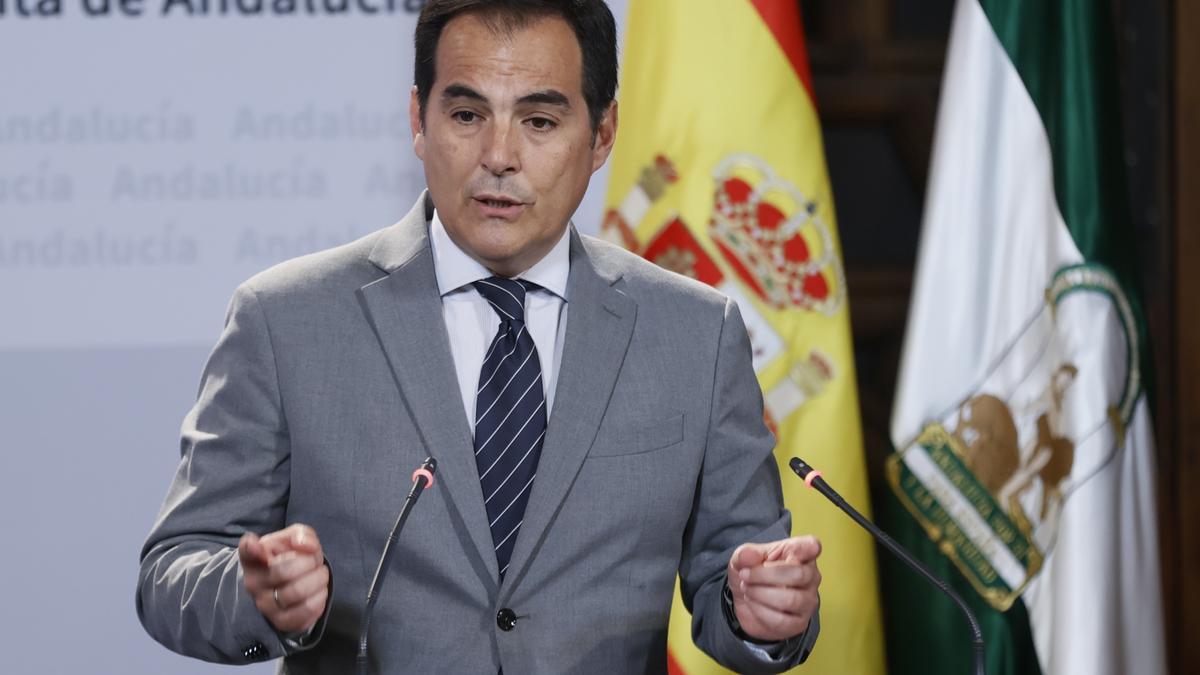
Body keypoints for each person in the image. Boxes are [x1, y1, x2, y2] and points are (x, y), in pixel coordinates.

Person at [137, 1, 822, 672]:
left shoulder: (695, 333)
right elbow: (173, 569)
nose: (499, 155)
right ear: (418, 119)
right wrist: (256, 596)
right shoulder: (284, 319)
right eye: (467, 115)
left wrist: (758, 613)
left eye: (540, 120)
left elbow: (739, 573)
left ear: (603, 132)